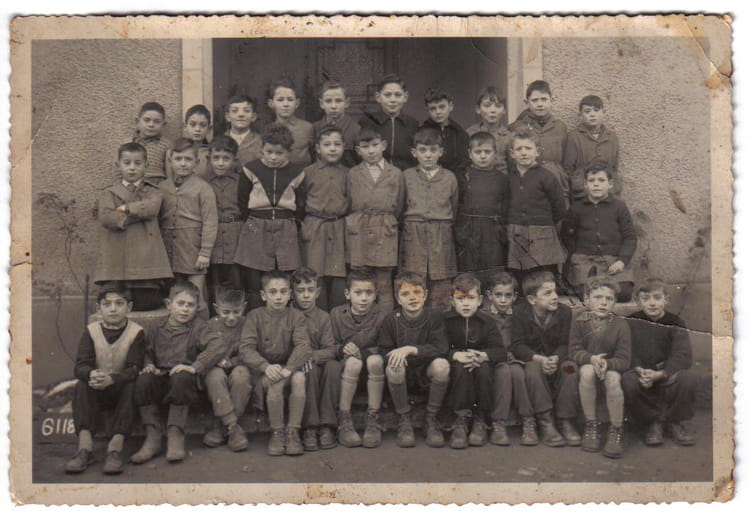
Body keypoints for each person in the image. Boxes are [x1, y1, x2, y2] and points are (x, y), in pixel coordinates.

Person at [64, 285, 145, 475]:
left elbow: (135, 368)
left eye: (119, 303)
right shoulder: (91, 331)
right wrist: (91, 374)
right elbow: (81, 365)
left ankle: (115, 449)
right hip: (97, 389)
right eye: (107, 304)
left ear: (129, 307)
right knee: (82, 385)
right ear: (98, 308)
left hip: (120, 389)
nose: (113, 309)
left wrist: (113, 379)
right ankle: (85, 449)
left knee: (132, 385)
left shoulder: (136, 332)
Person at [130, 281, 208, 464]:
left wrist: (195, 366)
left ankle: (175, 434)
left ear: (197, 308)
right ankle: (153, 436)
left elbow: (215, 347)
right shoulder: (156, 328)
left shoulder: (200, 328)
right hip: (160, 379)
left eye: (190, 305)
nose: (185, 309)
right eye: (180, 304)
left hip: (183, 385)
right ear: (168, 304)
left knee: (182, 377)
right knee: (144, 380)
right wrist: (149, 364)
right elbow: (146, 351)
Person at [239, 271, 312, 456]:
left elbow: (303, 345)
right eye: (273, 292)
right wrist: (265, 366)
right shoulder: (254, 316)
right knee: (275, 380)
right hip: (263, 372)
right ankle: (277, 432)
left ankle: (293, 431)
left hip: (288, 368)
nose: (278, 297)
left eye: (283, 292)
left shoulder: (296, 316)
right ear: (263, 295)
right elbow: (246, 349)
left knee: (299, 378)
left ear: (290, 294)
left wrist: (290, 368)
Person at [234, 124, 306, 309]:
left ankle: (284, 315)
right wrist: (252, 221)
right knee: (255, 277)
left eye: (279, 153)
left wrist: (293, 223)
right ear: (262, 150)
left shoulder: (297, 172)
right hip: (257, 225)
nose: (273, 157)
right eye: (269, 152)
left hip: (285, 226)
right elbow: (242, 199)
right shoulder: (251, 169)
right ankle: (256, 314)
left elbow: (301, 203)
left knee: (284, 274)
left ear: (288, 152)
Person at [94, 142, 173, 311]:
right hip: (117, 255)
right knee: (117, 298)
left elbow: (152, 208)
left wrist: (126, 208)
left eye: (137, 163)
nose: (132, 168)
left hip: (146, 256)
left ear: (146, 165)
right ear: (118, 165)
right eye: (127, 163)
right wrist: (136, 216)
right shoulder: (108, 193)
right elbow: (106, 217)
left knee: (146, 303)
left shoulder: (153, 191)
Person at [378, 272, 450, 448]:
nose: (412, 298)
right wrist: (396, 356)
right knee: (393, 365)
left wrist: (411, 349)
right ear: (398, 299)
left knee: (442, 365)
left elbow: (441, 348)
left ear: (425, 295)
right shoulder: (391, 320)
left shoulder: (434, 317)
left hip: (425, 373)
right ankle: (404, 418)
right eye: (405, 294)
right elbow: (383, 351)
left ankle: (431, 417)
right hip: (402, 375)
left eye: (417, 292)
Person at [623, 278, 697, 447]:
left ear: (666, 300)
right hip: (641, 373)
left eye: (657, 298)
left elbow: (682, 355)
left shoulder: (676, 322)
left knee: (688, 379)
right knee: (628, 381)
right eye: (646, 298)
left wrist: (663, 373)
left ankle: (674, 421)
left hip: (666, 372)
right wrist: (639, 369)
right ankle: (652, 422)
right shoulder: (630, 321)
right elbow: (626, 349)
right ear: (638, 301)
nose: (652, 303)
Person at [510, 271, 580, 447]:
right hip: (534, 360)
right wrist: (540, 359)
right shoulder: (519, 313)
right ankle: (545, 420)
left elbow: (565, 343)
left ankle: (565, 420)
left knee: (571, 368)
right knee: (532, 370)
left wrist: (555, 358)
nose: (555, 296)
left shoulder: (564, 312)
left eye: (555, 291)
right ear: (532, 299)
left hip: (558, 359)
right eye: (548, 293)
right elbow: (517, 345)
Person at [569, 276, 631, 458]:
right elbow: (573, 350)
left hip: (610, 367)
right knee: (586, 372)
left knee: (613, 379)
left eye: (609, 299)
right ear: (586, 299)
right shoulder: (579, 321)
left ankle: (616, 429)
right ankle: (591, 424)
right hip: (589, 364)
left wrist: (607, 363)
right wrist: (591, 358)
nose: (603, 303)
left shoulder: (621, 324)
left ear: (615, 302)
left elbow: (624, 358)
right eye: (597, 297)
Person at [443, 273, 506, 449]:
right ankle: (460, 418)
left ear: (480, 301)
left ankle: (480, 418)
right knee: (461, 368)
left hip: (481, 366)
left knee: (484, 369)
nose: (465, 303)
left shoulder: (487, 322)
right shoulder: (445, 321)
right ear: (452, 301)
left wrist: (484, 355)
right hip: (456, 368)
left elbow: (500, 351)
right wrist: (455, 355)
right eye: (460, 299)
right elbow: (439, 347)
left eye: (471, 298)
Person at [346, 127, 405, 311]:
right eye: (365, 147)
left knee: (383, 284)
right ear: (358, 150)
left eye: (374, 145)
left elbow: (399, 205)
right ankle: (363, 320)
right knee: (360, 281)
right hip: (360, 230)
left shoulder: (395, 173)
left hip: (384, 231)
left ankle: (385, 323)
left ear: (383, 145)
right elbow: (349, 202)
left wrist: (385, 220)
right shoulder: (353, 173)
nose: (371, 151)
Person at [400, 127, 459, 311]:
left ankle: (439, 324)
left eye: (433, 150)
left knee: (441, 283)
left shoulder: (449, 177)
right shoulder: (406, 176)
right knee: (413, 280)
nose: (428, 155)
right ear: (414, 152)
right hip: (414, 234)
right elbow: (400, 206)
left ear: (440, 152)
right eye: (423, 150)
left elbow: (454, 207)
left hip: (441, 234)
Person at [159, 137, 219, 312]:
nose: (183, 164)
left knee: (196, 295)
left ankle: (200, 326)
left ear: (196, 162)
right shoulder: (162, 187)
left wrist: (205, 253)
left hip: (192, 247)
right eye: (178, 159)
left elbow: (210, 222)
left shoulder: (203, 188)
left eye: (188, 159)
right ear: (170, 161)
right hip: (168, 248)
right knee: (173, 295)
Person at [330, 270, 388, 448]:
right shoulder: (336, 314)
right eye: (358, 293)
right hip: (347, 371)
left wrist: (366, 353)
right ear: (347, 294)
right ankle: (344, 418)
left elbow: (386, 345)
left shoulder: (382, 315)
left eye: (369, 293)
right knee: (353, 362)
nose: (364, 298)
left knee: (375, 360)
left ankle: (373, 417)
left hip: (373, 371)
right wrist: (342, 348)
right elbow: (329, 345)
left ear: (375, 294)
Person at [561, 165, 637, 302]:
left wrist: (622, 261)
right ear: (585, 185)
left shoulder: (619, 207)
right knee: (585, 292)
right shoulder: (576, 208)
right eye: (591, 180)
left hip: (612, 261)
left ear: (610, 184)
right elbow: (567, 234)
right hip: (585, 261)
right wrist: (576, 255)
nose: (596, 184)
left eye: (601, 180)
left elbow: (630, 237)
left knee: (623, 293)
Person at [480, 271, 536, 446]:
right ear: (489, 295)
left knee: (517, 372)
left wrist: (515, 354)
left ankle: (528, 420)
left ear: (515, 296)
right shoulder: (483, 316)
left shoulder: (519, 315)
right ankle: (499, 423)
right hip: (494, 361)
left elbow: (523, 341)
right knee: (504, 372)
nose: (503, 300)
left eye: (508, 295)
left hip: (515, 360)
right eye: (498, 295)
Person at [291, 267, 341, 451]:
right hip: (297, 366)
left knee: (334, 366)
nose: (306, 295)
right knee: (308, 370)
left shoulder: (323, 317)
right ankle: (310, 427)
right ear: (292, 294)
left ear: (317, 292)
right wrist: (301, 358)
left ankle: (327, 425)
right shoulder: (288, 315)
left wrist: (311, 356)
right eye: (300, 291)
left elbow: (330, 349)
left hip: (317, 361)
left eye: (310, 290)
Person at [506, 130, 566, 283]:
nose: (523, 152)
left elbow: (559, 207)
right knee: (520, 276)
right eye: (519, 149)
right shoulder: (509, 177)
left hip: (542, 233)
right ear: (512, 154)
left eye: (528, 148)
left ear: (537, 152)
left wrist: (543, 223)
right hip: (516, 232)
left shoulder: (546, 176)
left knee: (543, 276)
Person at [301, 125, 349, 310]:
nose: (332, 148)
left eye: (337, 144)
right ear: (318, 148)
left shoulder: (348, 173)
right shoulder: (308, 172)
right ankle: (316, 319)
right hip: (315, 228)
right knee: (315, 275)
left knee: (339, 278)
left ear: (344, 147)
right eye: (327, 144)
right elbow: (300, 201)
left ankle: (337, 319)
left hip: (339, 228)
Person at [201, 287, 251, 452]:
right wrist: (216, 360)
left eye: (236, 311)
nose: (231, 317)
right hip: (215, 366)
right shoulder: (210, 325)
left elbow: (250, 349)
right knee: (215, 377)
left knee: (241, 376)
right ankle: (232, 426)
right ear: (216, 308)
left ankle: (221, 425)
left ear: (244, 307)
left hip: (239, 364)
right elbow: (205, 350)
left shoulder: (247, 324)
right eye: (226, 312)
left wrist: (233, 361)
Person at [454, 131, 510, 276]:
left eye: (487, 151)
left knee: (493, 270)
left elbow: (506, 207)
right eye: (478, 152)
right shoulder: (462, 176)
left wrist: (501, 231)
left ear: (495, 153)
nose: (483, 156)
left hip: (493, 231)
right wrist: (461, 231)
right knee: (468, 270)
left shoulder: (502, 179)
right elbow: (456, 205)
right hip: (468, 230)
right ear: (470, 154)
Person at [509, 80, 568, 197]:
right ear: (527, 102)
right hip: (527, 182)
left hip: (555, 181)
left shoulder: (560, 127)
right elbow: (511, 159)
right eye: (535, 100)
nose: (540, 104)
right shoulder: (516, 127)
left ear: (552, 100)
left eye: (544, 99)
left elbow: (566, 160)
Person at [205, 135, 243, 315]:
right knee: (214, 279)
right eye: (216, 158)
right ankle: (215, 317)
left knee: (236, 277)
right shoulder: (203, 183)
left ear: (235, 160)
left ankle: (237, 314)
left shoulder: (241, 182)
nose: (220, 163)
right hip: (213, 235)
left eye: (226, 158)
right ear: (209, 159)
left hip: (235, 234)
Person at [563, 95, 620, 203]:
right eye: (587, 111)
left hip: (608, 193)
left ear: (603, 112)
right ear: (580, 115)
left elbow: (614, 167)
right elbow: (568, 170)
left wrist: (615, 188)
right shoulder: (574, 137)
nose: (592, 114)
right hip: (581, 194)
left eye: (596, 110)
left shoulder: (612, 137)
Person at [359, 74, 419, 171]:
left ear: (405, 97)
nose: (393, 100)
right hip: (376, 175)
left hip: (405, 175)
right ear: (378, 97)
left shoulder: (412, 124)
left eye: (398, 95)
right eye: (387, 95)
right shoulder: (368, 122)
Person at [312, 80, 361, 167]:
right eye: (328, 101)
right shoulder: (314, 128)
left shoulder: (356, 130)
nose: (333, 106)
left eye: (338, 101)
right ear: (321, 103)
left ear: (347, 103)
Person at [420, 87, 469, 173]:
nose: (438, 112)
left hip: (455, 177)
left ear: (450, 106)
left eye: (442, 107)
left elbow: (465, 161)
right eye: (433, 108)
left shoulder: (460, 133)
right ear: (427, 110)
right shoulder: (421, 133)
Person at [267, 77, 314, 166]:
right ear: (271, 103)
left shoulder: (307, 128)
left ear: (297, 103)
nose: (286, 104)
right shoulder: (267, 130)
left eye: (290, 99)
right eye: (280, 100)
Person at [466, 86, 512, 173]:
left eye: (498, 106)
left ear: (504, 110)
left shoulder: (509, 137)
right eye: (487, 106)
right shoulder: (469, 134)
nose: (493, 110)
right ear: (478, 109)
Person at [129, 101, 172, 184]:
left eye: (157, 121)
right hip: (133, 184)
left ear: (163, 124)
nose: (151, 125)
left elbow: (170, 173)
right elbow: (118, 170)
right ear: (137, 121)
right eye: (147, 120)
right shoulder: (129, 143)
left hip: (157, 185)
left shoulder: (166, 145)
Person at [224, 94, 263, 168]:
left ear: (253, 117)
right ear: (228, 117)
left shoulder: (261, 142)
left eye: (246, 111)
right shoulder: (220, 141)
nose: (241, 114)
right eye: (235, 111)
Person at [182, 104, 212, 179]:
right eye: (193, 124)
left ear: (209, 129)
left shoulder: (212, 153)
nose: (197, 129)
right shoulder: (175, 152)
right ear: (185, 127)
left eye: (203, 125)